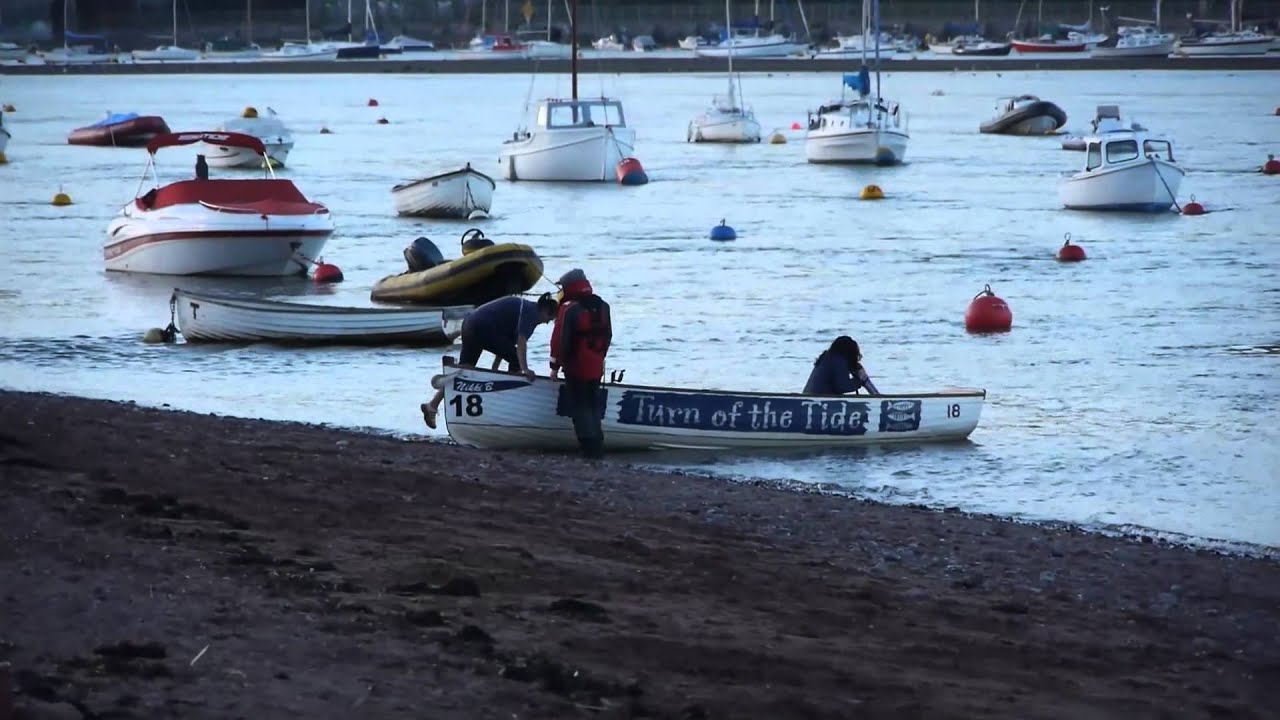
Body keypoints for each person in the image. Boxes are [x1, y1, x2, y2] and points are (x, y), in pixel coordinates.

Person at [421, 293, 558, 429]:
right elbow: (520, 344)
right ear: (545, 310)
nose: (547, 322)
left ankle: (432, 405)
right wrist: (526, 369)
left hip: (470, 323)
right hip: (482, 326)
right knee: (516, 360)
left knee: (464, 369)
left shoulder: (524, 308)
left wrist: (495, 371)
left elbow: (506, 345)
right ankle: (509, 401)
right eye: (549, 318)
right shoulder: (531, 313)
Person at [549, 269, 612, 459]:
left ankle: (588, 449)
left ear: (569, 287)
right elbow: (608, 336)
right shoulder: (603, 306)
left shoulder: (569, 309)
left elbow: (560, 341)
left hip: (576, 367)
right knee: (592, 405)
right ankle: (597, 445)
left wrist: (554, 367)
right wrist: (599, 358)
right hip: (596, 366)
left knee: (580, 408)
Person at [803, 336, 880, 396]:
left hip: (812, 397)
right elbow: (843, 386)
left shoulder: (827, 358)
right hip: (820, 400)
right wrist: (860, 380)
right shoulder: (838, 360)